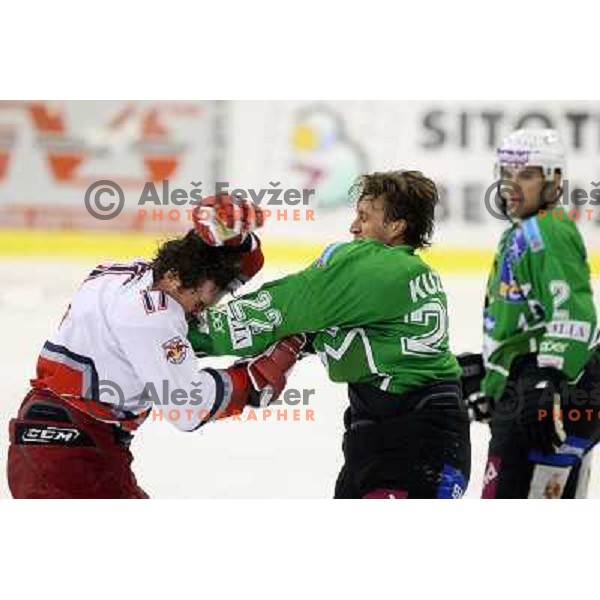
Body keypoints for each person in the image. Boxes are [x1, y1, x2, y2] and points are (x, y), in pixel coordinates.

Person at [188, 171, 471, 499]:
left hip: (410, 445)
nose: (353, 227)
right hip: (412, 438)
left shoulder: (372, 267)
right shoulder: (410, 272)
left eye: (364, 218)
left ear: (396, 227)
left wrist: (180, 330)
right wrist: (302, 341)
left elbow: (275, 311)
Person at [7, 197, 305, 498]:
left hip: (48, 440)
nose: (204, 309)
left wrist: (240, 243)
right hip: (74, 459)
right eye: (211, 297)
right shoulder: (155, 317)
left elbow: (140, 347)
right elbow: (187, 408)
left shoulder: (119, 273)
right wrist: (250, 381)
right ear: (194, 278)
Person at [467, 128, 600, 498]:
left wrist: (544, 380)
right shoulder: (522, 232)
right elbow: (532, 323)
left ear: (554, 180)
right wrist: (491, 373)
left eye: (525, 174)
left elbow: (574, 316)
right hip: (535, 392)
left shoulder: (547, 230)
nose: (511, 184)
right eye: (506, 173)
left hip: (548, 400)